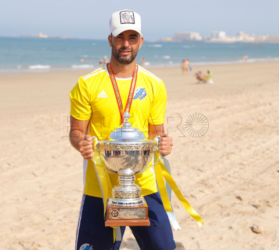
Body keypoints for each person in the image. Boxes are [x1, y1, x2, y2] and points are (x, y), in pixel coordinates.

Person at [69, 10, 176, 250]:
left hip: (145, 185)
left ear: (141, 41)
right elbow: (76, 132)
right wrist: (81, 143)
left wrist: (163, 143)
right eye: (120, 37)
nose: (126, 44)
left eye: (132, 37)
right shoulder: (87, 84)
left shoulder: (155, 85)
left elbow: (156, 133)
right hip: (100, 186)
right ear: (110, 40)